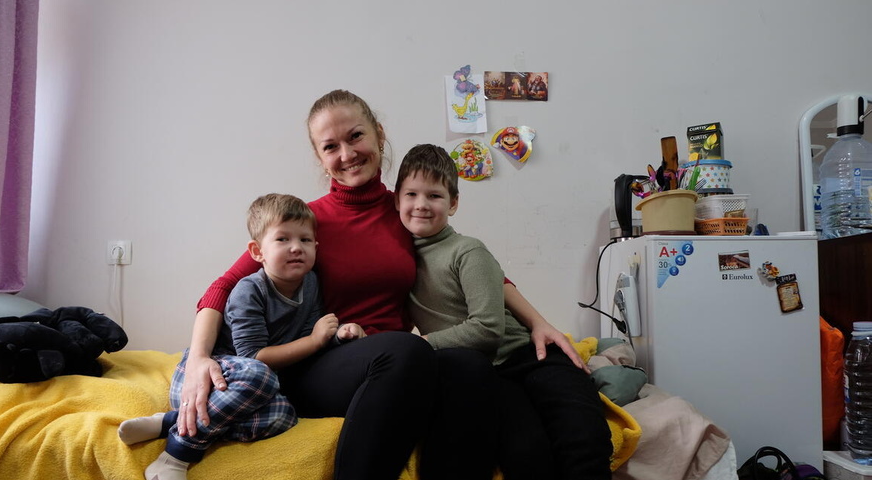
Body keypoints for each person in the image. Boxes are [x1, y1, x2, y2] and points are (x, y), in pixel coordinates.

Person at [177, 89, 588, 480]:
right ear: (321, 159)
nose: (347, 153)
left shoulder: (406, 208)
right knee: (405, 350)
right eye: (331, 146)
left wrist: (538, 322)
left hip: (401, 366)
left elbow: (479, 269)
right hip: (322, 365)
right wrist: (198, 358)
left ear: (379, 134)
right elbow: (222, 286)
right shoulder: (306, 224)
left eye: (356, 136)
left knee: (468, 363)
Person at [394, 143, 613, 480]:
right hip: (491, 375)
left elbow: (486, 330)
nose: (421, 205)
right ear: (397, 201)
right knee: (526, 453)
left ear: (453, 203)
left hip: (530, 356)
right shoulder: (400, 262)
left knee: (584, 437)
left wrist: (417, 347)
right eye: (411, 194)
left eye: (434, 196)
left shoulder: (466, 251)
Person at [119, 193, 364, 480]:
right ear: (257, 251)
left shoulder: (310, 284)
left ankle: (169, 423)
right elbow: (253, 357)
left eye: (305, 240)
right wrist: (316, 340)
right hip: (209, 380)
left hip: (242, 395)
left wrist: (337, 337)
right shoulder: (249, 290)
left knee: (284, 415)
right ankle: (175, 455)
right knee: (261, 376)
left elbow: (311, 337)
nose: (296, 247)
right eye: (283, 239)